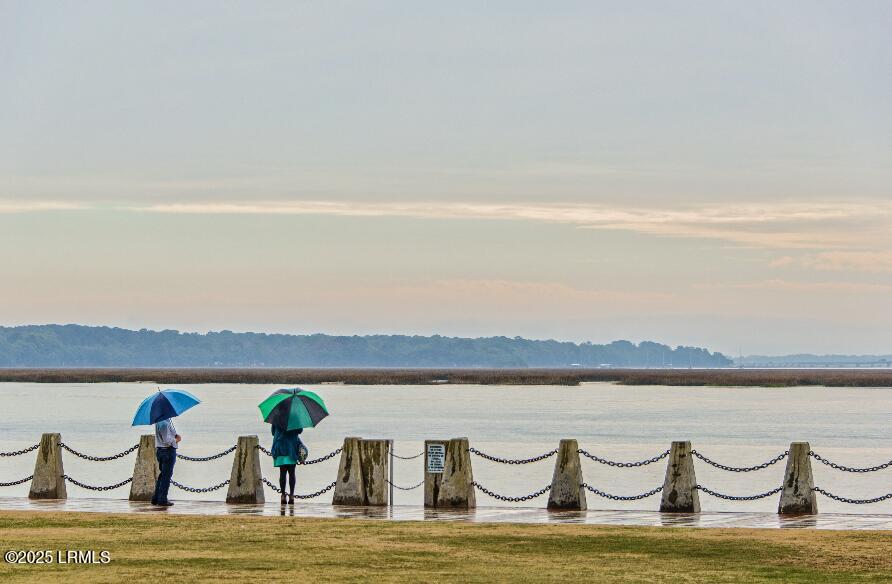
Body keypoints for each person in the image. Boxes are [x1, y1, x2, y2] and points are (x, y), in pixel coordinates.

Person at [151, 417, 181, 507]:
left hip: (161, 451)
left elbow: (168, 434)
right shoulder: (164, 423)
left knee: (162, 475)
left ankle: (156, 498)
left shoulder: (161, 421)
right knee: (166, 476)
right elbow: (167, 440)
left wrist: (175, 435)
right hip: (167, 451)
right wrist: (176, 440)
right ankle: (162, 499)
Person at [271, 426, 303, 504]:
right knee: (292, 473)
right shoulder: (296, 417)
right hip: (292, 447)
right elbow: (300, 431)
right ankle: (291, 495)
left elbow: (273, 432)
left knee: (282, 473)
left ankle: (283, 495)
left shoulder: (277, 416)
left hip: (281, 447)